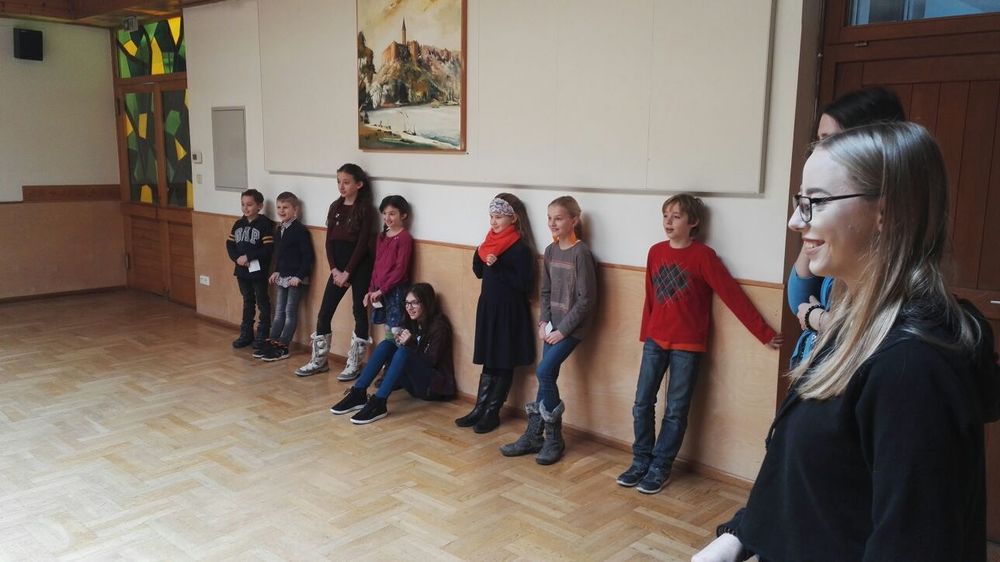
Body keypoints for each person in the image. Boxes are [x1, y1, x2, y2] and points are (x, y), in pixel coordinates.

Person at [694, 122, 996, 562]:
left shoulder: (912, 367)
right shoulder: (852, 324)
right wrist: (739, 537)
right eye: (800, 202)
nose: (796, 221)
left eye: (815, 202)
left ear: (886, 212)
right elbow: (814, 482)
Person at [616, 194, 782, 495]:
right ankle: (640, 460)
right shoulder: (655, 252)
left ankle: (660, 466)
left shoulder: (704, 256)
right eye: (665, 215)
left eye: (676, 216)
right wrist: (647, 334)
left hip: (688, 346)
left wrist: (764, 332)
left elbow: (732, 295)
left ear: (693, 222)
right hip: (655, 341)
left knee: (676, 410)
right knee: (642, 403)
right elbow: (650, 298)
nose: (668, 221)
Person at [788, 87, 905, 367]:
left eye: (829, 141)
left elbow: (873, 331)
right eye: (818, 141)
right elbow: (798, 298)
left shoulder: (906, 353)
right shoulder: (841, 255)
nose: (794, 222)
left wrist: (818, 318)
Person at [500, 196, 597, 465]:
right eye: (550, 218)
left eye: (559, 218)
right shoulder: (551, 251)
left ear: (574, 220)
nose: (552, 223)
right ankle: (534, 435)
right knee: (547, 376)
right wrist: (543, 322)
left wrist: (563, 331)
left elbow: (586, 300)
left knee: (543, 372)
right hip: (552, 326)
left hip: (572, 328)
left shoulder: (581, 253)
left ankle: (554, 439)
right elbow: (545, 291)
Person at [454, 193, 536, 434]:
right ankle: (480, 408)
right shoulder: (489, 242)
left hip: (509, 311)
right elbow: (480, 273)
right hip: (489, 308)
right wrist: (479, 256)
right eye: (491, 216)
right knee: (490, 359)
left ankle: (492, 412)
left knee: (503, 360)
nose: (493, 221)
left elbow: (524, 284)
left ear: (513, 218)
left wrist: (497, 266)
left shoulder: (520, 248)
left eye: (499, 217)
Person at [329, 282, 456, 424]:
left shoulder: (439, 327)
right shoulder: (413, 321)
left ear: (427, 303)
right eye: (407, 303)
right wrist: (400, 340)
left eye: (414, 303)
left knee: (404, 352)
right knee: (386, 345)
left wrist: (410, 344)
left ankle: (379, 402)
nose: (409, 307)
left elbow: (430, 362)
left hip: (432, 387)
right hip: (415, 383)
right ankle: (358, 393)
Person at [296, 164, 376, 378]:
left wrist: (348, 272)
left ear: (359, 184)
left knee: (359, 312)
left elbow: (362, 244)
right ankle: (319, 361)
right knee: (325, 312)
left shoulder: (365, 209)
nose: (341, 186)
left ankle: (354, 364)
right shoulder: (335, 206)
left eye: (346, 182)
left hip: (359, 267)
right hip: (338, 269)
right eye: (339, 181)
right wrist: (334, 270)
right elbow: (329, 241)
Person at [255, 192, 314, 362]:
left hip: (295, 279)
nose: (281, 211)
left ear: (295, 210)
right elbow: (279, 255)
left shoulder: (300, 230)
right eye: (279, 207)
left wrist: (299, 276)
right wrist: (276, 271)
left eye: (285, 207)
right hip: (283, 276)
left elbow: (308, 256)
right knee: (279, 311)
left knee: (289, 312)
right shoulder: (279, 229)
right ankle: (272, 342)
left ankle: (283, 346)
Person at [226, 188, 274, 350]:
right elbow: (230, 244)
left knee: (262, 301)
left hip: (258, 271)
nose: (245, 208)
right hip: (241, 271)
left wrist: (249, 256)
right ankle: (246, 333)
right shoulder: (238, 224)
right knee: (247, 301)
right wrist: (237, 259)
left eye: (249, 204)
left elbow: (268, 248)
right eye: (243, 204)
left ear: (259, 206)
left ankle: (263, 334)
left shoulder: (265, 225)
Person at [364, 195, 414, 342]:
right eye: (385, 213)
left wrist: (382, 290)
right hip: (381, 290)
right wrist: (371, 289)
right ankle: (389, 354)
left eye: (392, 214)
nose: (387, 217)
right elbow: (377, 265)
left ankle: (400, 354)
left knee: (396, 328)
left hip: (395, 290)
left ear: (403, 215)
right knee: (387, 327)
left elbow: (401, 269)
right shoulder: (381, 236)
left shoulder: (404, 238)